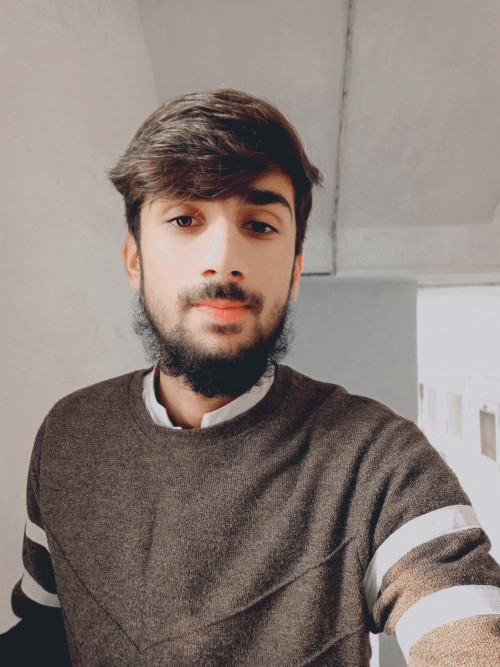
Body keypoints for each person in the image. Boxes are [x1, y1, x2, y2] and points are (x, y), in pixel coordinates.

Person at [2, 89, 499, 666]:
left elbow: (464, 624)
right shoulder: (69, 435)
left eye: (259, 225)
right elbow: (45, 628)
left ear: (294, 272)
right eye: (184, 219)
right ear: (134, 259)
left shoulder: (377, 460)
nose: (223, 259)